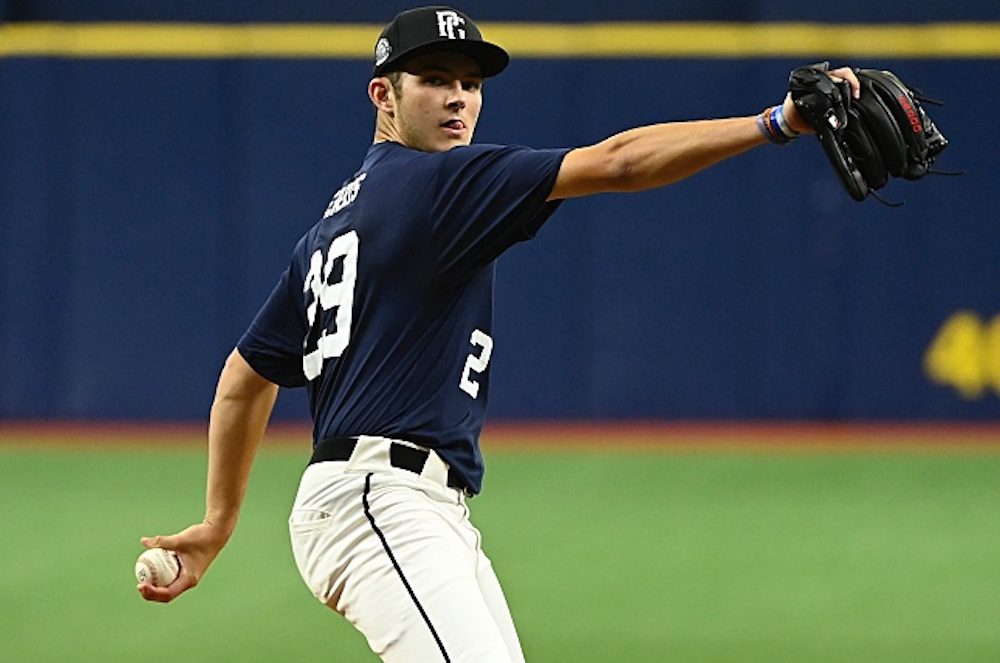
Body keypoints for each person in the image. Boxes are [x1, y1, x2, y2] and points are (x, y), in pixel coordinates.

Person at [138, 6, 860, 662]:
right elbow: (616, 162)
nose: (459, 97)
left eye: (471, 83)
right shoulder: (434, 184)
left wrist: (219, 521)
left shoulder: (331, 227)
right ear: (382, 94)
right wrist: (776, 122)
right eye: (433, 79)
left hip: (409, 505)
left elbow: (243, 377)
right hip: (377, 499)